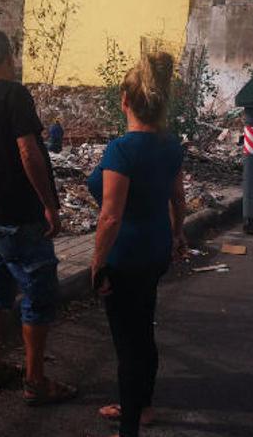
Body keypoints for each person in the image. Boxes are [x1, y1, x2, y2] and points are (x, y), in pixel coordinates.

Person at [0, 30, 77, 406]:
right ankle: (35, 380)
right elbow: (29, 152)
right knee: (38, 295)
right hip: (23, 217)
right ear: (7, 57)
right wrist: (49, 204)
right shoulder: (15, 95)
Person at [86, 52, 188, 437]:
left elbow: (110, 217)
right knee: (143, 330)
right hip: (156, 250)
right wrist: (178, 235)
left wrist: (97, 263)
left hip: (125, 257)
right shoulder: (170, 145)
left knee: (128, 343)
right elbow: (178, 200)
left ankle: (129, 427)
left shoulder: (122, 150)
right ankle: (141, 406)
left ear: (125, 101)